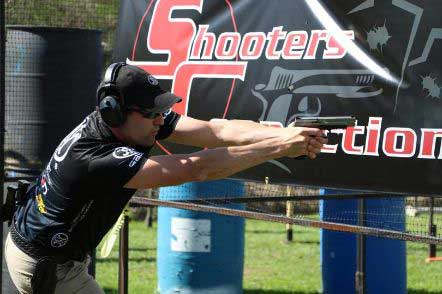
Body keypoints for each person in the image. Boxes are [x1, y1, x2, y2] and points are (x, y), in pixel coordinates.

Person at [4, 62, 327, 293]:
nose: (160, 120)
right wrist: (280, 146)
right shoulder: (93, 157)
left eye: (161, 111)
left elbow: (216, 130)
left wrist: (284, 134)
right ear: (114, 112)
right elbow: (193, 168)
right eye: (151, 114)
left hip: (48, 251)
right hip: (46, 265)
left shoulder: (129, 120)